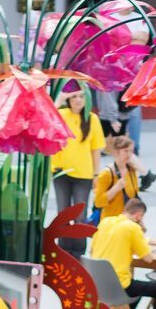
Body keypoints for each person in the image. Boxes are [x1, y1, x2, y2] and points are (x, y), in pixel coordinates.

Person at [89, 197, 156, 309]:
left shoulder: (105, 222)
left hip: (97, 286)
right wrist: (141, 231)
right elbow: (148, 258)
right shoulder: (133, 228)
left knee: (137, 288)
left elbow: (92, 250)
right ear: (139, 216)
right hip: (118, 286)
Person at [52, 88, 106, 253]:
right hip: (60, 172)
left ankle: (78, 252)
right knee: (63, 214)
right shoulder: (62, 114)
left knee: (80, 216)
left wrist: (97, 174)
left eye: (82, 96)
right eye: (74, 96)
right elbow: (47, 119)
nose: (78, 100)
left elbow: (96, 150)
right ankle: (63, 251)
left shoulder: (92, 119)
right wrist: (60, 99)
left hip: (84, 174)